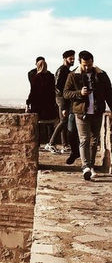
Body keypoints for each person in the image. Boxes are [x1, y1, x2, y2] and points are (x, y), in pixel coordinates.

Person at [63, 50, 112, 181]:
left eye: (89, 64)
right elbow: (66, 93)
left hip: (96, 111)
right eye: (84, 65)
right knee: (84, 139)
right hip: (81, 112)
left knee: (94, 140)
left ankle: (90, 166)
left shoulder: (101, 75)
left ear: (92, 62)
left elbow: (109, 93)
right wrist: (80, 93)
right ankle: (85, 167)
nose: (87, 67)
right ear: (80, 63)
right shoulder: (73, 75)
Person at [46, 50, 75, 154]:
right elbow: (58, 87)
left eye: (73, 58)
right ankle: (51, 143)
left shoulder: (66, 70)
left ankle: (65, 145)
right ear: (64, 59)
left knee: (64, 121)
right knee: (63, 121)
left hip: (63, 99)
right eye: (70, 58)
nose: (72, 60)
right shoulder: (62, 70)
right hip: (62, 99)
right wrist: (63, 106)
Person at [26, 59, 58, 145]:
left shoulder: (36, 77)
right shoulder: (51, 76)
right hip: (49, 104)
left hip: (38, 105)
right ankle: (51, 143)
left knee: (37, 125)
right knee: (50, 125)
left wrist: (28, 103)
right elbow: (53, 91)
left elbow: (33, 92)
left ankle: (37, 142)